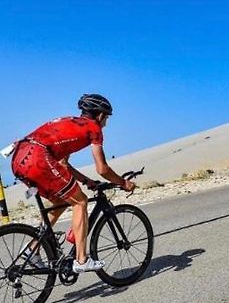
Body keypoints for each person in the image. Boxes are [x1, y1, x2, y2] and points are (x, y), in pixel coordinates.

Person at [10, 93, 136, 273]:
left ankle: (33, 249)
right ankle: (82, 259)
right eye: (106, 118)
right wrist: (123, 182)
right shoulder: (94, 129)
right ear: (100, 115)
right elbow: (102, 168)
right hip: (38, 158)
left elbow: (62, 164)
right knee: (81, 201)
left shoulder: (69, 123)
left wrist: (87, 181)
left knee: (61, 201)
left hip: (19, 158)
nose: (106, 123)